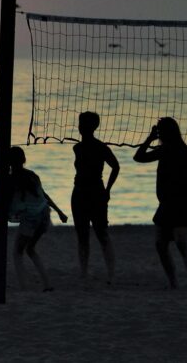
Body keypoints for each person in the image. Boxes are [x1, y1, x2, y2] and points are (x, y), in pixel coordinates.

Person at [133, 116, 187, 288]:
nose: (160, 134)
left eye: (161, 131)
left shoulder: (183, 152)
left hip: (182, 204)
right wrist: (150, 138)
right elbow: (139, 157)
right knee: (160, 245)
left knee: (181, 243)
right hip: (166, 205)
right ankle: (173, 282)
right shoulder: (165, 150)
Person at [7, 146, 68, 291]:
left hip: (31, 218)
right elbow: (44, 196)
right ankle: (47, 285)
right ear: (24, 160)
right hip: (44, 215)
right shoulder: (32, 175)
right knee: (30, 249)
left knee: (17, 252)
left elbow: (7, 202)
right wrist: (59, 211)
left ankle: (24, 287)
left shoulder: (11, 180)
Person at [71, 111, 119, 284]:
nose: (81, 127)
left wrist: (107, 190)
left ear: (91, 127)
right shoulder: (77, 147)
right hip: (79, 192)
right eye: (81, 123)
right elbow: (115, 167)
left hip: (95, 192)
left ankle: (111, 274)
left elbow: (116, 167)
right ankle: (84, 273)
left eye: (84, 124)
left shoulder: (101, 147)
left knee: (101, 233)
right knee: (82, 235)